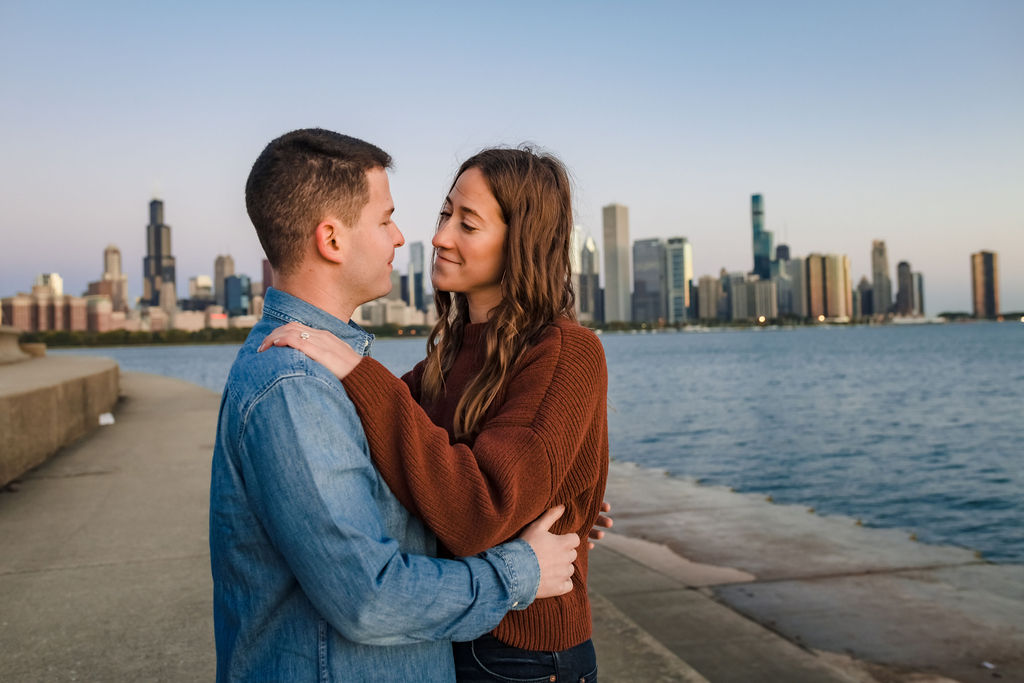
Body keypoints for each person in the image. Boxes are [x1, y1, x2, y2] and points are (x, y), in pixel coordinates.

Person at [209, 129, 583, 682]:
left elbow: (447, 468)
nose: (412, 237)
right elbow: (369, 597)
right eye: (385, 220)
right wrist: (519, 570)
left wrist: (564, 494)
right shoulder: (296, 386)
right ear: (332, 241)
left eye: (465, 221)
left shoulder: (331, 371)